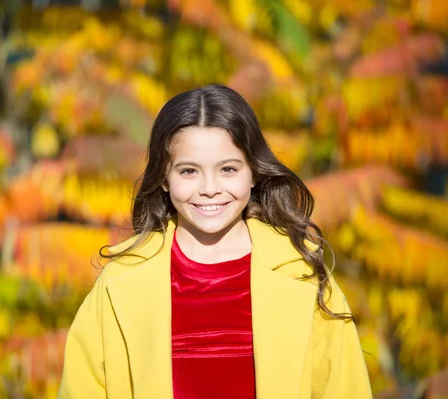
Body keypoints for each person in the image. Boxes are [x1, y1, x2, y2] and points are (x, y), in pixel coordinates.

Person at [58, 84, 372, 398]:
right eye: (189, 171)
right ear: (165, 179)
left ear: (254, 173)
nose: (209, 188)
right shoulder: (121, 283)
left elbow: (344, 388)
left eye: (228, 169)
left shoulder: (302, 275)